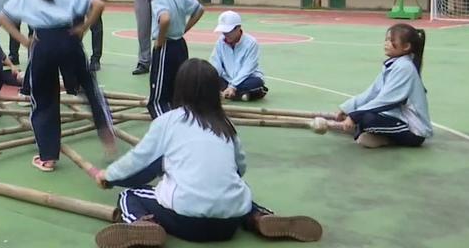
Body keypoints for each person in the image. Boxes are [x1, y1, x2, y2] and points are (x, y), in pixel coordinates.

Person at [92, 59, 323, 246]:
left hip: (186, 222)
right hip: (228, 223)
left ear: (179, 88)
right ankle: (258, 217)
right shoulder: (225, 124)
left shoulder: (168, 121)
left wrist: (108, 175)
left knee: (131, 195)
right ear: (215, 91)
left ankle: (144, 224)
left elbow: (138, 159)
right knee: (236, 192)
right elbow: (240, 169)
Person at [0, 0, 116, 172]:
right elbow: (99, 5)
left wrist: (24, 40)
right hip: (69, 40)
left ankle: (48, 157)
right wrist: (83, 27)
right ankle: (106, 135)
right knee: (89, 89)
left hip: (42, 44)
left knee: (44, 100)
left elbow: (3, 17)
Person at [336, 23, 432, 148]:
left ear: (406, 46)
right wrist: (347, 108)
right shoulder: (393, 65)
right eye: (386, 40)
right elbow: (372, 93)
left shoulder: (405, 68)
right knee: (362, 115)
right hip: (400, 119)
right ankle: (376, 135)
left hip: (414, 131)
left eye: (391, 41)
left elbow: (387, 101)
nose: (386, 43)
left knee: (367, 119)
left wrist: (354, 116)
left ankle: (387, 140)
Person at [144, 0, 204, 118]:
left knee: (158, 97)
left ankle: (164, 122)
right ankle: (182, 115)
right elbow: (199, 10)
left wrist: (160, 40)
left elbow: (165, 19)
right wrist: (184, 29)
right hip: (180, 45)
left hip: (166, 46)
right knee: (178, 87)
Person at [210, 11, 268, 101]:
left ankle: (229, 93)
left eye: (228, 31)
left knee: (257, 82)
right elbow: (215, 63)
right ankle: (243, 95)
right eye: (223, 31)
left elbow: (248, 68)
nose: (225, 34)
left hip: (246, 79)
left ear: (238, 28)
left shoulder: (251, 43)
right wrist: (212, 79)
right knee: (210, 79)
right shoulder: (220, 42)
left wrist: (233, 86)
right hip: (227, 79)